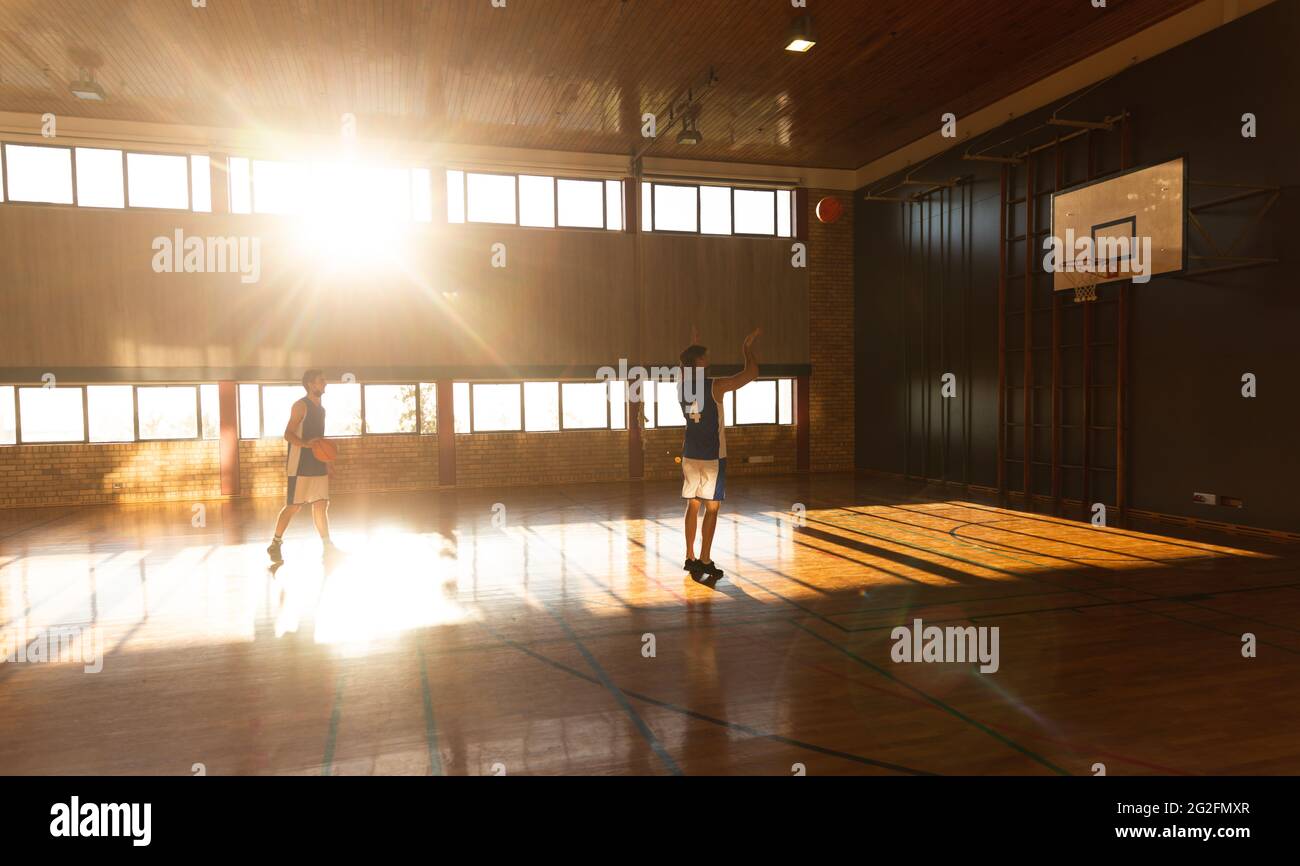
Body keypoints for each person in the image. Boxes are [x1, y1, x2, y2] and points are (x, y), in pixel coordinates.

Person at [678, 327, 761, 579]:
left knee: (692, 504)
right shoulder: (716, 386)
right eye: (706, 356)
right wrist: (746, 349)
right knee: (711, 509)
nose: (710, 359)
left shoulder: (681, 386)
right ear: (700, 362)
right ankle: (704, 560)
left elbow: (683, 365)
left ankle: (690, 557)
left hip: (689, 456)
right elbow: (752, 373)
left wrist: (690, 348)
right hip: (712, 457)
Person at [267, 369, 336, 562]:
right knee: (293, 506)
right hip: (300, 464)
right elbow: (288, 434)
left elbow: (320, 440)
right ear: (310, 385)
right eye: (321, 380)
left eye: (324, 380)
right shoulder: (300, 406)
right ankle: (275, 543)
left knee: (321, 504)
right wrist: (306, 444)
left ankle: (327, 545)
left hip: (318, 463)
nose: (325, 383)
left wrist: (328, 463)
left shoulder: (322, 409)